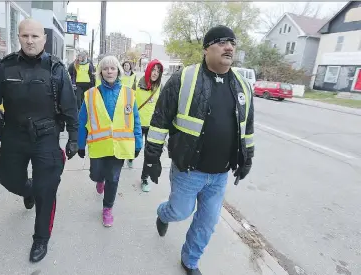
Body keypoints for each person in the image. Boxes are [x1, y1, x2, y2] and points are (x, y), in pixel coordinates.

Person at [144, 25, 254, 275]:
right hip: (188, 170)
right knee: (179, 211)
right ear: (207, 48)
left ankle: (190, 261)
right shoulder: (184, 78)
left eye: (233, 43)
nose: (229, 47)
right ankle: (163, 214)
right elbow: (160, 120)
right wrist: (151, 159)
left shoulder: (243, 86)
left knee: (207, 223)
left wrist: (246, 160)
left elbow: (247, 127)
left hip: (220, 175)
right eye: (222, 42)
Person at [0, 19, 79, 263]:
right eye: (25, 36)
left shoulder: (56, 69)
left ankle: (41, 238)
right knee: (5, 176)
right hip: (13, 134)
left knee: (47, 189)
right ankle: (27, 190)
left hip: (45, 137)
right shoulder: (5, 67)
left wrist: (74, 138)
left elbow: (70, 107)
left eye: (34, 36)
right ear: (18, 37)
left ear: (44, 38)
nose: (30, 41)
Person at [77, 55, 143, 227]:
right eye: (105, 68)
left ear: (118, 71)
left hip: (120, 147)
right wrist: (80, 143)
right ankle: (99, 180)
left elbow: (135, 119)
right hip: (99, 146)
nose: (109, 71)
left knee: (113, 178)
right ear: (100, 72)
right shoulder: (90, 95)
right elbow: (82, 119)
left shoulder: (129, 94)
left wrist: (137, 144)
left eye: (113, 68)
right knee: (97, 175)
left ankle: (107, 209)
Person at [126, 60, 163, 193]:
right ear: (148, 70)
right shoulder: (137, 84)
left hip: (153, 126)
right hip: (137, 124)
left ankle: (145, 178)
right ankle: (130, 156)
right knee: (136, 149)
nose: (155, 74)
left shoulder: (159, 87)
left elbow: (162, 106)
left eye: (158, 72)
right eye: (153, 70)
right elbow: (129, 102)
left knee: (149, 154)